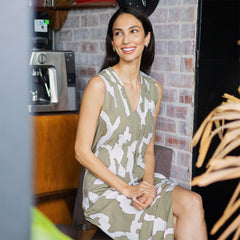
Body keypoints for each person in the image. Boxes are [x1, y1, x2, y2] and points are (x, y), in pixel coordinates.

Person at [75, 6, 208, 240]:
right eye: (118, 33)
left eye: (133, 31)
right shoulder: (99, 85)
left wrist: (148, 186)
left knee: (193, 202)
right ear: (113, 42)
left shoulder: (154, 90)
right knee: (179, 225)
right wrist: (128, 189)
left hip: (139, 179)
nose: (126, 39)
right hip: (106, 190)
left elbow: (148, 150)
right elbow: (81, 152)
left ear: (147, 38)